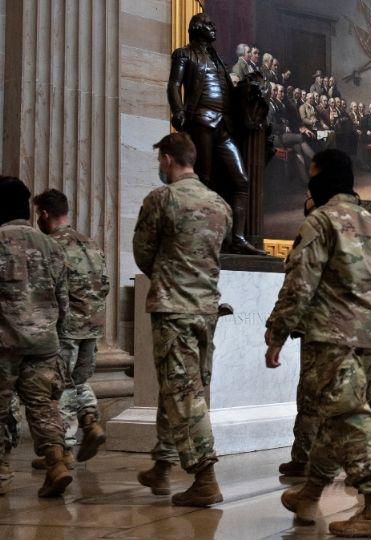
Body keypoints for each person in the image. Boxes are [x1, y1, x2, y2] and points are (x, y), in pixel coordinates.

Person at [264, 149, 371, 537]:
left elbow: (299, 284)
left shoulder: (320, 222)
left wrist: (277, 333)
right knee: (331, 418)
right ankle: (310, 492)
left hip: (330, 338)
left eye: (312, 176)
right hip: (367, 338)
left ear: (323, 178)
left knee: (348, 419)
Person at [133, 133, 232, 507]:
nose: (160, 165)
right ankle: (162, 464)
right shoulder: (219, 203)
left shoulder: (162, 199)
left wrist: (168, 273)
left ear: (169, 159)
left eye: (160, 159)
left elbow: (144, 252)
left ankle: (205, 477)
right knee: (182, 386)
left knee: (182, 392)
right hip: (206, 309)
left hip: (174, 307)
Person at [166, 13, 265, 256]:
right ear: (196, 28)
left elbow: (228, 89)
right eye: (209, 25)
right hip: (201, 120)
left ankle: (238, 239)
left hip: (224, 125)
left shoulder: (217, 58)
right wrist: (178, 110)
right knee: (205, 178)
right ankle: (200, 236)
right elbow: (173, 85)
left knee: (241, 180)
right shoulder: (184, 54)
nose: (214, 29)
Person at [0, 176, 72, 498]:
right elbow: (63, 300)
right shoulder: (52, 246)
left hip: (5, 341)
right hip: (44, 343)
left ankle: (1, 474)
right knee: (43, 405)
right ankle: (56, 463)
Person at [28, 189, 110, 470]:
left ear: (45, 214)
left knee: (58, 385)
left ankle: (62, 450)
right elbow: (106, 284)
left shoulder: (50, 245)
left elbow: (43, 289)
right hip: (93, 325)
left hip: (65, 327)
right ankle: (90, 422)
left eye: (38, 213)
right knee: (75, 380)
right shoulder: (91, 244)